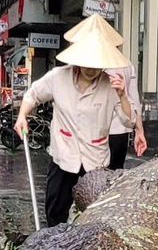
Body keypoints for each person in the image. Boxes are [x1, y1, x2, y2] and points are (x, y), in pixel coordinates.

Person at [17, 18, 132, 226]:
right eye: (87, 63)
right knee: (55, 211)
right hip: (64, 154)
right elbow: (33, 95)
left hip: (96, 160)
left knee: (96, 216)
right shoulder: (58, 77)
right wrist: (22, 116)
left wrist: (123, 95)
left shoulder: (112, 85)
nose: (91, 69)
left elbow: (128, 121)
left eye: (96, 64)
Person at [69, 14, 146, 168]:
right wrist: (139, 131)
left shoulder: (89, 66)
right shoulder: (126, 65)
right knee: (113, 178)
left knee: (90, 177)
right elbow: (134, 101)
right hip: (120, 132)